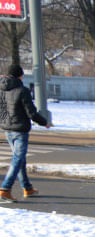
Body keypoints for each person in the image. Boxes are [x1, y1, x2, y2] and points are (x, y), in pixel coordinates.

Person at [0, 64, 50, 202]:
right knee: (17, 159)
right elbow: (31, 113)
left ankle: (27, 188)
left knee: (20, 159)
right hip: (19, 130)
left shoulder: (1, 89)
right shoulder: (23, 90)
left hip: (7, 129)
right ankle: (5, 189)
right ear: (20, 75)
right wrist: (44, 122)